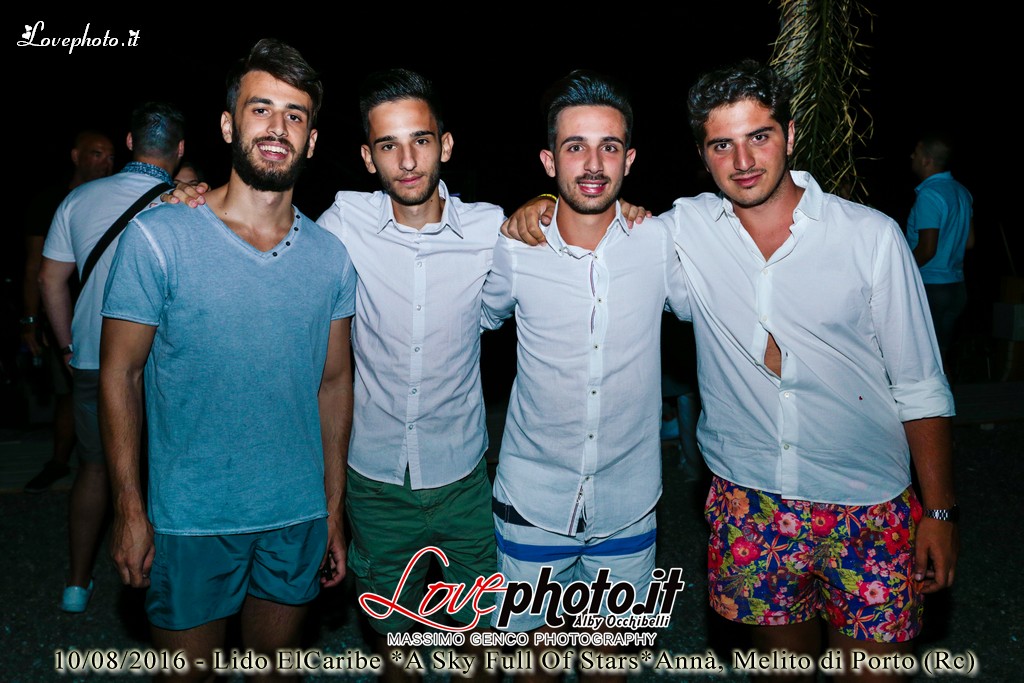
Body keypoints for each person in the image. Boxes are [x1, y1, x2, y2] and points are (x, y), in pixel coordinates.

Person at [504, 60, 957, 681]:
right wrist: (543, 203)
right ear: (703, 154)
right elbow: (595, 217)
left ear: (789, 136)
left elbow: (921, 385)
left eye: (759, 136)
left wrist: (940, 511)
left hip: (866, 500)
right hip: (751, 501)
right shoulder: (682, 232)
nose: (743, 160)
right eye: (722, 144)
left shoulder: (869, 237)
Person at [100, 39, 356, 679]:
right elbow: (120, 374)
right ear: (227, 124)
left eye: (295, 115)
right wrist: (129, 509)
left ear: (312, 140)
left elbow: (334, 383)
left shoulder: (330, 257)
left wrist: (333, 510)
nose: (277, 127)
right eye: (260, 109)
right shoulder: (158, 237)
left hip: (296, 515)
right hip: (190, 519)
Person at [481, 70, 688, 680]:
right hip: (532, 502)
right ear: (549, 161)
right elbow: (470, 322)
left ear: (630, 160)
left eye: (609, 147)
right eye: (576, 147)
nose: (593, 164)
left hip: (628, 505)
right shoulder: (513, 248)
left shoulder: (660, 242)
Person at [315, 68, 504, 680]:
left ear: (444, 145)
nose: (406, 160)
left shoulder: (490, 230)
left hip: (462, 475)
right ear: (367, 157)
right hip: (374, 479)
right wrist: (195, 200)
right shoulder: (343, 222)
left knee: (478, 643)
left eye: (420, 140)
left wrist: (549, 204)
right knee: (396, 649)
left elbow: (563, 241)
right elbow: (265, 239)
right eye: (388, 145)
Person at [38, 105, 182, 613]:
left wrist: (67, 345)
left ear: (129, 142)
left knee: (96, 469)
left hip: (94, 358)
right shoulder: (185, 202)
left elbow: (50, 280)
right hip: (164, 363)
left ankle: (76, 584)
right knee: (165, 472)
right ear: (180, 150)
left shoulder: (78, 199)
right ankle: (171, 587)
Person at [22, 129, 116, 493]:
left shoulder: (118, 196)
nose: (106, 162)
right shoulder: (51, 201)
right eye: (96, 153)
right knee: (69, 393)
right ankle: (59, 462)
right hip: (64, 316)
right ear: (76, 156)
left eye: (110, 155)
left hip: (111, 318)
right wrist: (31, 320)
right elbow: (36, 266)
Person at [906, 133, 974, 368]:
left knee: (923, 361)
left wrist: (899, 270)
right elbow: (970, 242)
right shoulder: (961, 192)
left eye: (916, 152)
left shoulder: (929, 195)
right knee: (940, 358)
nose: (912, 156)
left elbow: (927, 250)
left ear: (927, 160)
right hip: (956, 288)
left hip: (931, 288)